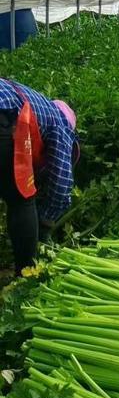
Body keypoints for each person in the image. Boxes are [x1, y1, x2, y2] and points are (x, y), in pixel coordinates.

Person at [0, 79, 79, 274]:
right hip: (2, 117)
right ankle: (25, 275)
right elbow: (61, 185)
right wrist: (44, 224)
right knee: (21, 200)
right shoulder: (61, 124)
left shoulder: (36, 102)